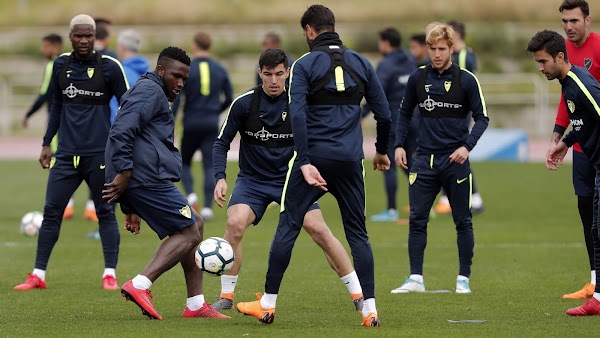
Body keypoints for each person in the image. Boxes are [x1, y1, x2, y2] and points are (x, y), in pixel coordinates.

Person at [236, 5, 391, 327]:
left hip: (315, 160)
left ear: (308, 30)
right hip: (350, 160)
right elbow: (385, 115)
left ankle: (267, 304)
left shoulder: (305, 64)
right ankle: (370, 308)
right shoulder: (362, 62)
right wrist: (381, 151)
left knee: (288, 226)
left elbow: (299, 116)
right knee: (357, 234)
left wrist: (304, 160)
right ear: (332, 26)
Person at [211, 48, 364, 312]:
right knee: (234, 224)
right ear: (260, 72)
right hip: (253, 181)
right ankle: (226, 296)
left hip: (291, 179)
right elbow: (221, 143)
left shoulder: (300, 104)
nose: (273, 80)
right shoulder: (244, 103)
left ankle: (358, 295)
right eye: (268, 74)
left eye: (279, 74)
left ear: (288, 73)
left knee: (319, 230)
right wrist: (220, 177)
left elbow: (321, 139)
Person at [103, 46, 229, 320]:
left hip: (144, 176)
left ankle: (195, 304)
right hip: (145, 177)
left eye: (185, 78)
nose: (181, 83)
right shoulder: (150, 91)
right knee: (189, 231)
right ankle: (140, 284)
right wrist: (124, 172)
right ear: (161, 71)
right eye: (176, 76)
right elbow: (121, 129)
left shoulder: (153, 91)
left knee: (195, 223)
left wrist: (129, 205)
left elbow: (138, 137)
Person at [13, 14, 128, 291]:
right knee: (51, 211)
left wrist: (121, 144)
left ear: (94, 36)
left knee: (105, 213)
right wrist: (45, 143)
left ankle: (109, 274)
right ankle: (38, 275)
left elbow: (128, 106)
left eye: (89, 35)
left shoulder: (110, 67)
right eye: (79, 35)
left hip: (99, 155)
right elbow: (56, 106)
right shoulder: (60, 65)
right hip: (65, 155)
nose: (84, 40)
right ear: (71, 37)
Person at [390, 22, 489, 295]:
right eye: (432, 49)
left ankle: (463, 279)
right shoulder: (418, 78)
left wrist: (467, 146)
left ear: (452, 48)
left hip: (455, 161)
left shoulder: (467, 80)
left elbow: (482, 118)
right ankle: (415, 279)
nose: (436, 54)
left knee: (462, 220)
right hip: (423, 160)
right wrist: (399, 145)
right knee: (417, 220)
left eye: (441, 49)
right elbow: (405, 113)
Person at [533, 29, 600, 316]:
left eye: (543, 61)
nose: (540, 68)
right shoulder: (568, 84)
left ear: (560, 57)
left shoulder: (581, 84)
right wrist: (565, 144)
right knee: (597, 230)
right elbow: (584, 121)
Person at [550, 0, 600, 300]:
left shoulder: (598, 47)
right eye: (565, 22)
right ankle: (594, 282)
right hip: (581, 146)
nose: (569, 27)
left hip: (597, 142)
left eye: (574, 21)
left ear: (587, 21)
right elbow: (565, 99)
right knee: (586, 211)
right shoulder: (563, 55)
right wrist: (558, 137)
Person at [87, 29, 151, 240]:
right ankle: (140, 216)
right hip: (144, 134)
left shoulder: (119, 71)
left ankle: (106, 225)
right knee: (138, 176)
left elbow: (117, 107)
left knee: (112, 178)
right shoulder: (148, 72)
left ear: (121, 48)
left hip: (119, 133)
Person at [171, 32, 233, 221]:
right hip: (210, 123)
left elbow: (178, 97)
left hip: (190, 122)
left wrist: (170, 122)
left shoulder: (187, 69)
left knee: (184, 161)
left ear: (195, 45)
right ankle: (207, 207)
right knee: (209, 164)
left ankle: (191, 195)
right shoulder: (219, 69)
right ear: (210, 46)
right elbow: (229, 97)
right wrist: (216, 110)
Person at [362, 27, 417, 223]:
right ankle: (421, 205)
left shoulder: (386, 65)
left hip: (394, 122)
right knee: (409, 164)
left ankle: (392, 210)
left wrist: (361, 113)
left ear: (385, 43)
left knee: (390, 164)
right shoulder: (411, 60)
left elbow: (377, 94)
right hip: (415, 120)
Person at [433, 20, 485, 215]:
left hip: (459, 113)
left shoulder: (464, 57)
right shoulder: (459, 55)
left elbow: (464, 85)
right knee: (451, 153)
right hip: (453, 111)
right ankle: (450, 197)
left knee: (456, 152)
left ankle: (472, 198)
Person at [22, 33, 62, 129]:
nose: (42, 49)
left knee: (54, 143)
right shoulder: (66, 63)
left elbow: (44, 93)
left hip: (55, 117)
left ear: (56, 47)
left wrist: (29, 114)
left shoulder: (52, 65)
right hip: (67, 117)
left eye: (46, 46)